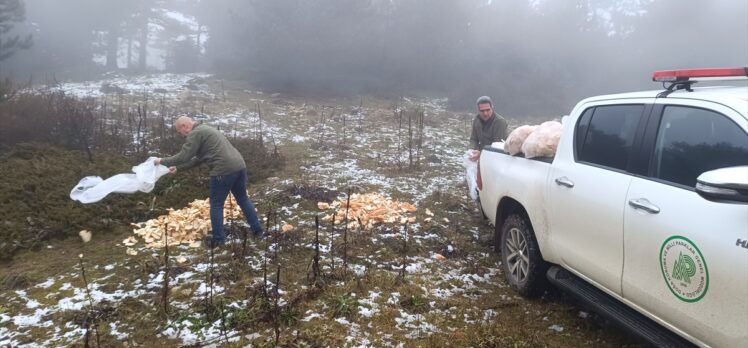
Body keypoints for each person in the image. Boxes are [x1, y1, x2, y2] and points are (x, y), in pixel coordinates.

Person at [155, 115, 263, 248]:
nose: (181, 135)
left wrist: (161, 161)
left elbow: (184, 156)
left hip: (223, 170)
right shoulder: (206, 129)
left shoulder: (195, 134)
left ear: (184, 126)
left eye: (179, 131)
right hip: (239, 166)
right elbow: (198, 159)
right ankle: (258, 231)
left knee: (216, 204)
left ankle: (218, 239)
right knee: (243, 199)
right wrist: (178, 168)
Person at [469, 96, 508, 161]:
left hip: (498, 158)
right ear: (478, 111)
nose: (485, 113)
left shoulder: (499, 122)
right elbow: (473, 139)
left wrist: (481, 153)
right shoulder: (477, 120)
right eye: (482, 111)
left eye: (488, 110)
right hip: (481, 155)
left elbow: (497, 146)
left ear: (492, 108)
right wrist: (472, 150)